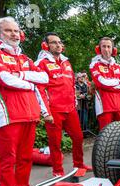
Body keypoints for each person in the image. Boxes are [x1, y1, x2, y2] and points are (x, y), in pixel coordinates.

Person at [0, 17, 53, 186]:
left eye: (16, 31)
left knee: (25, 157)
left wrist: (20, 75)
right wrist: (28, 80)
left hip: (29, 111)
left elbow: (44, 78)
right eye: (8, 31)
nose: (14, 34)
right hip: (7, 113)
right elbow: (4, 79)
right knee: (8, 159)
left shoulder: (25, 58)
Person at [36, 32, 91, 177]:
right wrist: (45, 112)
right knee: (55, 142)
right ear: (46, 46)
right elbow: (39, 89)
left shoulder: (66, 62)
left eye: (59, 42)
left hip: (70, 108)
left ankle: (78, 164)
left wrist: (74, 103)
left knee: (78, 137)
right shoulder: (41, 63)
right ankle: (58, 171)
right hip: (54, 110)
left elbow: (72, 85)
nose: (58, 45)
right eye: (54, 42)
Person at [89, 37, 120, 131]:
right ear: (99, 49)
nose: (106, 49)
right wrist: (116, 82)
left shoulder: (118, 66)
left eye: (108, 47)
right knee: (106, 135)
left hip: (119, 106)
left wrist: (108, 84)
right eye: (104, 46)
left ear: (113, 49)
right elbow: (101, 83)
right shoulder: (94, 65)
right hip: (104, 107)